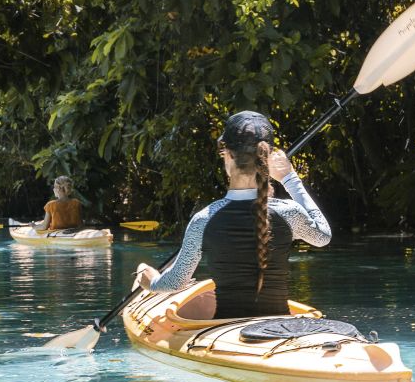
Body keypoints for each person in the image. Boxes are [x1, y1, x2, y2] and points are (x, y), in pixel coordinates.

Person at [135, 110, 331, 318]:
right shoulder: (289, 212)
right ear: (267, 158)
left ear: (227, 156)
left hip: (226, 329)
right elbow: (323, 237)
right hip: (280, 325)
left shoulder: (204, 219)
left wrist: (151, 281)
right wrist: (289, 178)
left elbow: (175, 282)